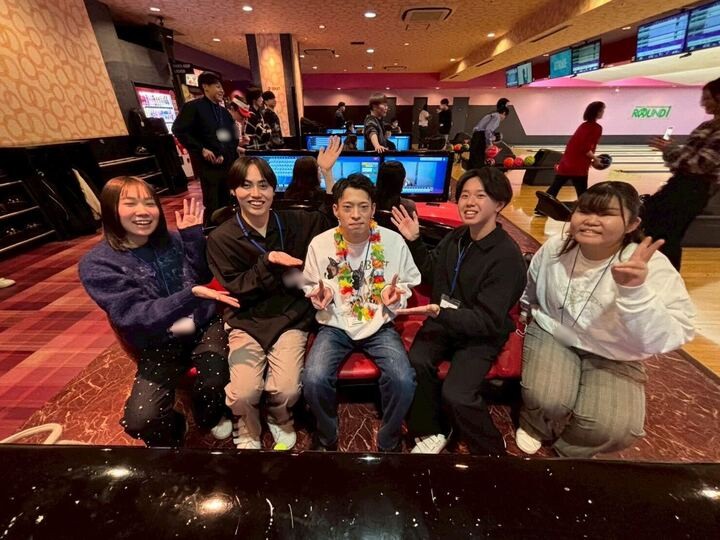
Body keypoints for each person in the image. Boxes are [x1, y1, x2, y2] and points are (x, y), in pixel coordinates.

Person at [516, 181, 695, 458]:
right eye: (584, 210)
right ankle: (536, 425)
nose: (591, 220)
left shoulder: (649, 266)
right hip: (554, 332)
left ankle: (570, 449)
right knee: (547, 399)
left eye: (605, 213)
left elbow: (671, 335)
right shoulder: (556, 248)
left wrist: (634, 291)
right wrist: (523, 313)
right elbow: (532, 286)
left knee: (616, 429)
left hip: (616, 354)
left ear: (632, 224)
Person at [79, 176, 238, 447]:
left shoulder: (172, 240)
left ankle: (208, 416)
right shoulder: (98, 263)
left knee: (215, 379)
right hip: (158, 339)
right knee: (141, 420)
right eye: (130, 203)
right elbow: (133, 315)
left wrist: (192, 239)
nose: (143, 211)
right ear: (111, 210)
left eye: (149, 203)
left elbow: (203, 275)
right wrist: (189, 295)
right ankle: (177, 428)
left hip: (200, 324)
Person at [391, 168, 527, 455]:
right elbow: (430, 272)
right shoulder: (457, 237)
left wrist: (440, 313)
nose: (469, 202)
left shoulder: (507, 257)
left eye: (480, 196)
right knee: (416, 361)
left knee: (457, 394)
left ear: (499, 204)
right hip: (445, 321)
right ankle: (432, 428)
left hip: (481, 334)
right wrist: (415, 241)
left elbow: (487, 320)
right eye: (464, 195)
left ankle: (492, 451)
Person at [206, 157, 331, 450]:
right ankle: (247, 425)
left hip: (289, 317)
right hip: (246, 319)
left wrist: (326, 173)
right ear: (233, 191)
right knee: (243, 392)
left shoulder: (293, 221)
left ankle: (279, 417)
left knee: (287, 390)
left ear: (274, 189)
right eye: (246, 185)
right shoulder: (221, 238)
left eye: (263, 185)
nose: (256, 193)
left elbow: (328, 217)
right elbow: (239, 287)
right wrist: (268, 260)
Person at [302, 174, 421, 452]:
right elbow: (310, 285)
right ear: (336, 210)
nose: (356, 215)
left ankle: (389, 439)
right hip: (334, 324)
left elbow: (408, 281)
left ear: (373, 208)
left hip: (380, 324)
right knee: (313, 379)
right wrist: (319, 296)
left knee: (403, 380)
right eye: (348, 207)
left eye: (363, 206)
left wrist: (395, 294)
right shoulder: (320, 244)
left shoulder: (393, 242)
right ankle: (327, 435)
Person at [643, 78, 720, 270]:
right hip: (681, 184)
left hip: (694, 190)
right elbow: (683, 163)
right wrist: (672, 152)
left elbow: (699, 165)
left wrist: (670, 150)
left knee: (665, 236)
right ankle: (656, 273)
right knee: (651, 226)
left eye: (707, 98)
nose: (702, 103)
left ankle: (668, 278)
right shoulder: (707, 125)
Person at [173, 71, 238, 226]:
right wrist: (201, 149)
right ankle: (211, 232)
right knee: (212, 202)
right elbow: (179, 130)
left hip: (226, 164)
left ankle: (229, 230)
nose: (222, 90)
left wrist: (224, 154)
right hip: (208, 167)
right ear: (205, 87)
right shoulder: (193, 107)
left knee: (229, 201)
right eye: (218, 86)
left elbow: (231, 136)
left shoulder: (223, 112)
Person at [536, 101, 605, 215]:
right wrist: (595, 159)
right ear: (597, 112)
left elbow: (576, 145)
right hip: (578, 166)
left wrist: (591, 159)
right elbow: (585, 147)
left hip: (566, 162)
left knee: (554, 187)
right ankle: (585, 211)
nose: (603, 112)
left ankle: (541, 209)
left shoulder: (583, 126)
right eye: (602, 110)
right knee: (582, 191)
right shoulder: (596, 128)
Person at [284, 136, 343, 205]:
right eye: (318, 170)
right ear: (313, 175)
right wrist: (327, 172)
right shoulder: (321, 196)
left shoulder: (287, 194)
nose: (320, 173)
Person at [469, 100, 511, 169]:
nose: (503, 119)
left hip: (476, 136)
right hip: (480, 137)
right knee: (478, 162)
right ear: (504, 113)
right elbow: (488, 130)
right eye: (505, 117)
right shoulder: (497, 117)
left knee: (473, 160)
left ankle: (471, 174)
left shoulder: (491, 115)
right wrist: (489, 144)